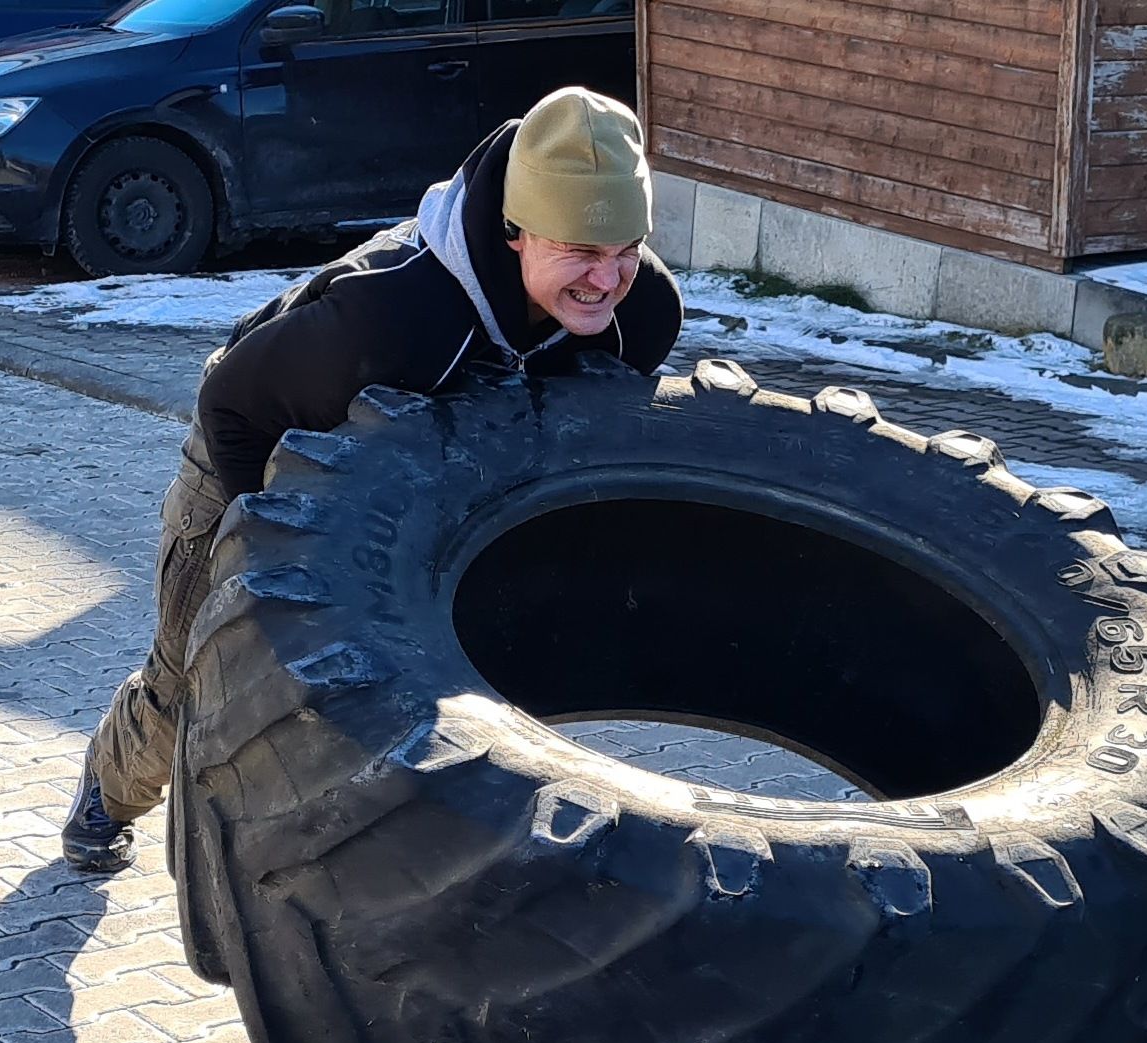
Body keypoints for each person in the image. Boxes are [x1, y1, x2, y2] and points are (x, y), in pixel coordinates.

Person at [63, 85, 685, 871]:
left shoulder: (646, 313)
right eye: (583, 254)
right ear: (518, 232)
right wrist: (275, 557)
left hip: (425, 484)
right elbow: (230, 402)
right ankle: (111, 785)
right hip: (255, 451)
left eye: (626, 249)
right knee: (203, 671)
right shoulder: (397, 314)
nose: (608, 279)